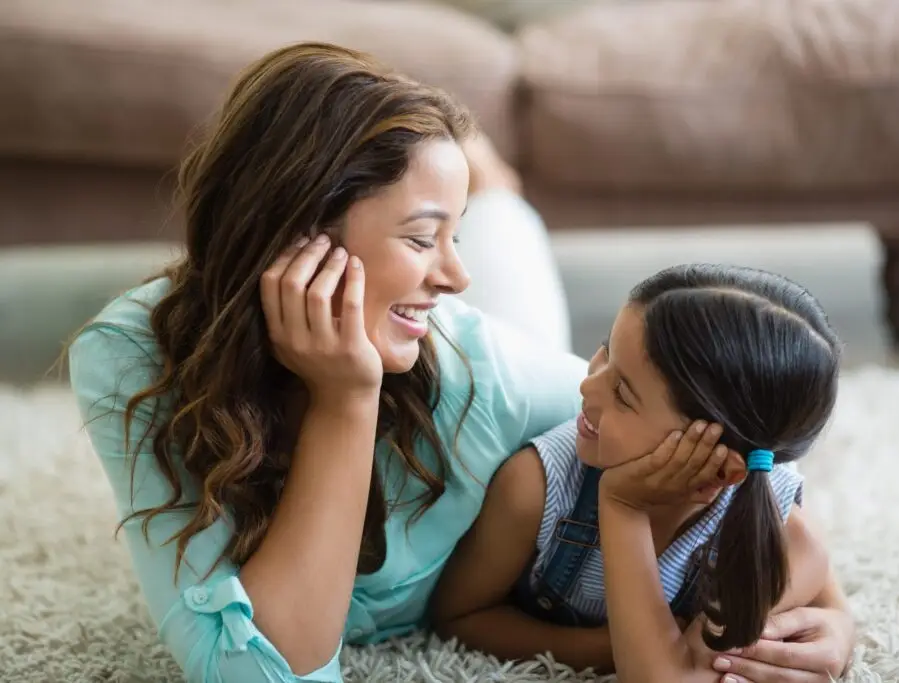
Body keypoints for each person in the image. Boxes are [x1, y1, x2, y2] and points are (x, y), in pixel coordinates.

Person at [67, 41, 855, 683]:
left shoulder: (485, 368)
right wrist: (345, 400)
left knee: (503, 250)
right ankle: (481, 183)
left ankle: (488, 190)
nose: (454, 271)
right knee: (489, 253)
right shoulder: (128, 359)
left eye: (451, 234)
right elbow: (262, 674)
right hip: (410, 329)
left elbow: (713, 434)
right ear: (296, 234)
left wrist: (835, 610)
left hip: (471, 338)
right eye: (420, 237)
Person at [432, 264, 848, 683]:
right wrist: (611, 645)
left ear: (721, 467)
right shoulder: (537, 486)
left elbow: (666, 679)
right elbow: (459, 615)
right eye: (605, 351)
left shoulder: (781, 539)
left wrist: (842, 625)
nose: (587, 387)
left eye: (623, 395)